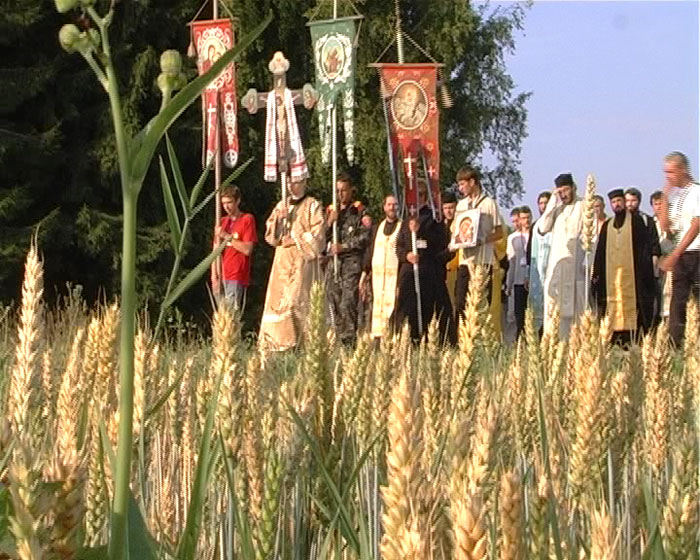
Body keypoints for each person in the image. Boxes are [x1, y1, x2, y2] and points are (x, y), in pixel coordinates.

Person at [259, 178, 326, 352]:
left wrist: (295, 239)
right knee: (278, 303)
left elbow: (318, 236)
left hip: (302, 261)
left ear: (303, 182)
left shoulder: (312, 205)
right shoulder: (281, 206)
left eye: (295, 182)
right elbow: (271, 237)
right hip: (282, 262)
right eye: (288, 182)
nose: (290, 186)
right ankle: (279, 344)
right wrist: (279, 220)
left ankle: (302, 343)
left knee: (296, 300)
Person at [592, 189, 656, 345]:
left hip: (634, 277)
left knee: (635, 307)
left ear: (624, 202)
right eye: (613, 202)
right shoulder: (607, 225)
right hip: (612, 278)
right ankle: (615, 339)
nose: (617, 205)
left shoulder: (636, 222)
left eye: (619, 201)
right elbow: (600, 252)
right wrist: (596, 273)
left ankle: (634, 339)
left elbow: (644, 250)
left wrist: (645, 273)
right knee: (612, 306)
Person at [395, 180, 455, 343]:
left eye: (420, 195)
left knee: (430, 310)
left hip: (428, 273)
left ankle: (430, 341)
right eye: (413, 197)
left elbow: (441, 245)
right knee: (406, 310)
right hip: (409, 272)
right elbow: (399, 246)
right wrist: (406, 255)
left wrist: (420, 232)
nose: (416, 200)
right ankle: (406, 341)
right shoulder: (406, 219)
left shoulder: (434, 217)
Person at [658, 151, 700, 346]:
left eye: (671, 172)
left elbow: (696, 225)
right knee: (678, 303)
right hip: (681, 256)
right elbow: (666, 227)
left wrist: (675, 254)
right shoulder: (676, 196)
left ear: (683, 170)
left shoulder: (696, 192)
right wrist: (665, 197)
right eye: (665, 172)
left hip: (695, 253)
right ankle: (676, 346)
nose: (668, 176)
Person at [452, 167, 503, 325]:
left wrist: (482, 239)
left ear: (472, 182)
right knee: (461, 303)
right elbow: (456, 230)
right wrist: (455, 242)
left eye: (462, 184)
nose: (460, 188)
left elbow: (499, 232)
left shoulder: (489, 204)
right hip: (466, 261)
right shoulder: (461, 205)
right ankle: (463, 335)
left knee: (481, 304)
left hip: (483, 261)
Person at [537, 173, 586, 338]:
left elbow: (592, 237)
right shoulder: (556, 210)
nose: (563, 195)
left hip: (576, 268)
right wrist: (552, 201)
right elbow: (542, 228)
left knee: (577, 316)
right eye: (560, 192)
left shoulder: (583, 206)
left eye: (566, 190)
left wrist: (589, 263)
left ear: (573, 188)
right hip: (557, 268)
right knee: (554, 315)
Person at [325, 173, 371, 345]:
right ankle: (336, 340)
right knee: (333, 302)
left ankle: (349, 342)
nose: (340, 194)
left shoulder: (359, 211)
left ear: (351, 190)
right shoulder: (331, 211)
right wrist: (329, 222)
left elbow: (365, 237)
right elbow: (320, 238)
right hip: (334, 264)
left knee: (348, 302)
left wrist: (344, 246)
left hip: (351, 262)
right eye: (337, 191)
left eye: (344, 190)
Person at [361, 195, 402, 339]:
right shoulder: (376, 229)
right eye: (389, 204)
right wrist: (364, 275)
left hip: (395, 278)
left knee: (394, 309)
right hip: (378, 280)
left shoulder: (402, 228)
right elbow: (370, 252)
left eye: (395, 204)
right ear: (384, 207)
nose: (392, 207)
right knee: (377, 308)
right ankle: (378, 339)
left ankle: (393, 339)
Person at [211, 185, 257, 310]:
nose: (226, 207)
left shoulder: (246, 220)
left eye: (229, 202)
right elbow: (215, 251)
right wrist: (214, 276)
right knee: (221, 315)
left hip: (236, 275)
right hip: (221, 274)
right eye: (223, 203)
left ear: (237, 201)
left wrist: (226, 236)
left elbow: (247, 249)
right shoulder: (221, 222)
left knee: (231, 314)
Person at [526, 191, 552, 333]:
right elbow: (529, 250)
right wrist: (527, 273)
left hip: (551, 269)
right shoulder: (535, 226)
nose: (543, 206)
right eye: (541, 203)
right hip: (536, 273)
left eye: (546, 203)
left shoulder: (557, 223)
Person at [506, 206, 531, 339]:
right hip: (518, 280)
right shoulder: (513, 238)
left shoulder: (535, 234)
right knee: (518, 315)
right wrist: (509, 283)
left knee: (532, 314)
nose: (526, 221)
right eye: (523, 218)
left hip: (533, 281)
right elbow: (512, 261)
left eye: (528, 217)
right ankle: (519, 342)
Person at [650, 190, 675, 323]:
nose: (659, 207)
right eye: (656, 204)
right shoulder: (650, 223)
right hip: (656, 264)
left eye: (661, 204)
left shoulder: (674, 222)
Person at [441, 191, 459, 308]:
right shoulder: (440, 225)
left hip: (456, 266)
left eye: (451, 208)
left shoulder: (459, 223)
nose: (448, 211)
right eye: (445, 208)